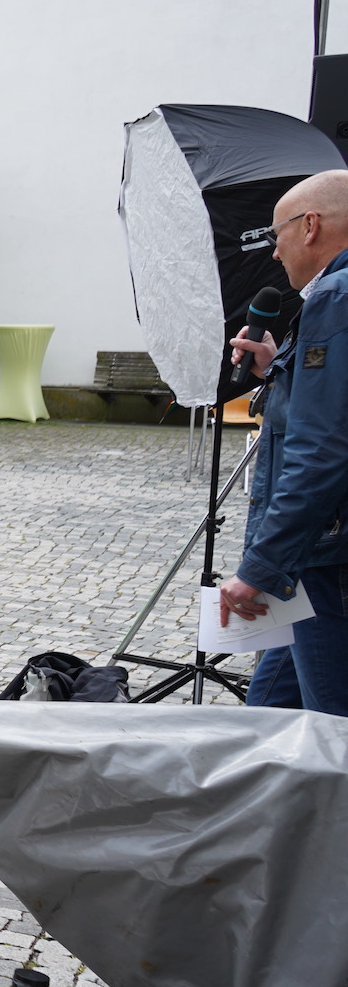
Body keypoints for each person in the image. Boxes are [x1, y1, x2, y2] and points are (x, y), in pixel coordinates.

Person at [222, 169, 348, 716]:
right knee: (269, 715)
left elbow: (323, 448)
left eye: (277, 236)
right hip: (315, 556)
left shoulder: (337, 299)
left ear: (311, 225)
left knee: (329, 736)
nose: (275, 253)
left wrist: (261, 568)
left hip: (325, 558)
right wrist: (282, 369)